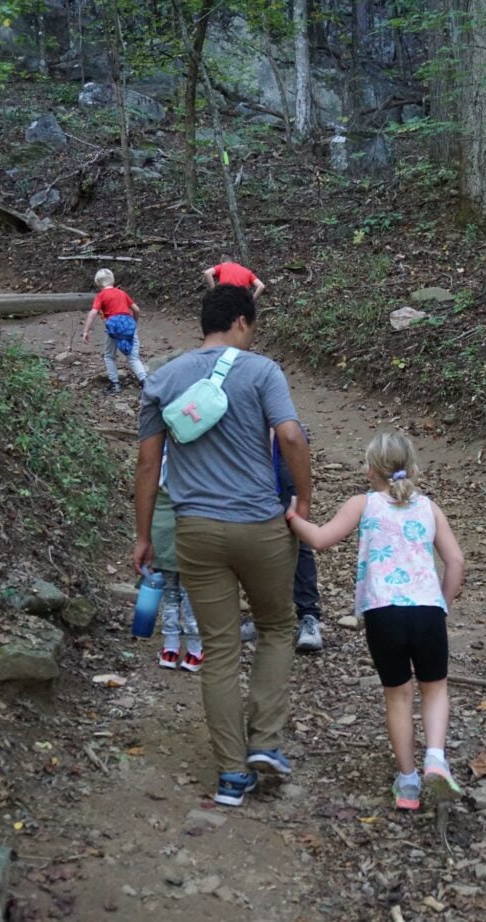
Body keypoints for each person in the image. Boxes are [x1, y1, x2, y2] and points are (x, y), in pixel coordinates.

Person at [134, 284, 311, 808]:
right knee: (277, 626)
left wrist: (144, 535)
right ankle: (266, 743)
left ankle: (231, 775)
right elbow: (291, 436)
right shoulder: (261, 371)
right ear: (241, 321)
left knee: (219, 647)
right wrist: (303, 499)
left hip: (195, 530)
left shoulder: (163, 378)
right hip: (260, 526)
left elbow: (147, 464)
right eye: (252, 327)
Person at [286, 432, 465, 812]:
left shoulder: (362, 504)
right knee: (434, 689)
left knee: (398, 696)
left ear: (370, 470)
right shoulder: (429, 507)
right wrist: (442, 605)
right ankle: (435, 757)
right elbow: (456, 561)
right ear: (412, 467)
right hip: (427, 610)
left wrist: (292, 517)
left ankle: (408, 783)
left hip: (384, 613)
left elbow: (320, 539)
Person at [241, 432, 323, 652]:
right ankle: (263, 614)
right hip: (246, 446)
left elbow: (286, 426)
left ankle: (308, 616)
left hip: (280, 446)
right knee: (253, 534)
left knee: (295, 530)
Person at [152, 443, 204, 672]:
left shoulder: (159, 450)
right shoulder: (203, 451)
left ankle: (171, 648)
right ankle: (194, 648)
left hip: (162, 526)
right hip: (192, 523)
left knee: (170, 591)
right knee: (189, 590)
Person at [82, 268, 147, 394]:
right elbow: (137, 310)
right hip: (128, 325)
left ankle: (115, 384)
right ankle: (145, 381)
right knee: (133, 357)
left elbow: (93, 312)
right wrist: (133, 323)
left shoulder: (101, 296)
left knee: (109, 356)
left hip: (113, 328)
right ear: (113, 280)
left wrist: (86, 331)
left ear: (97, 283)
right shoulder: (122, 293)